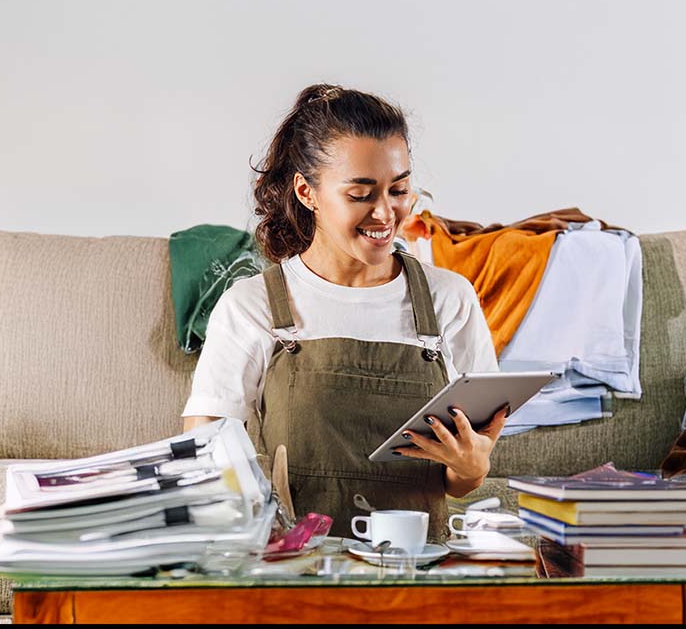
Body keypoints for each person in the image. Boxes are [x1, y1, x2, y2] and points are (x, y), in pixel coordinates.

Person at [181, 84, 504, 539]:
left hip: (416, 573)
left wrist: (472, 468)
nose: (386, 213)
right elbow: (203, 455)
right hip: (299, 570)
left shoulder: (449, 299)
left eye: (400, 189)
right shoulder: (252, 306)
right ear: (306, 192)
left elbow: (462, 481)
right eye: (360, 194)